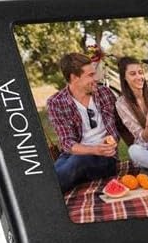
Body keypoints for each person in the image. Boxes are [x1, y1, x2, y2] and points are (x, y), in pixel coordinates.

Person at [46, 52, 120, 192]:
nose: (96, 78)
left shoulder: (105, 93)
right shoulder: (56, 102)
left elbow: (122, 125)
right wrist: (93, 149)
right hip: (72, 155)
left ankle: (48, 191)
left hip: (105, 156)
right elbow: (67, 142)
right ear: (74, 77)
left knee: (76, 163)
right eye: (90, 75)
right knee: (50, 174)